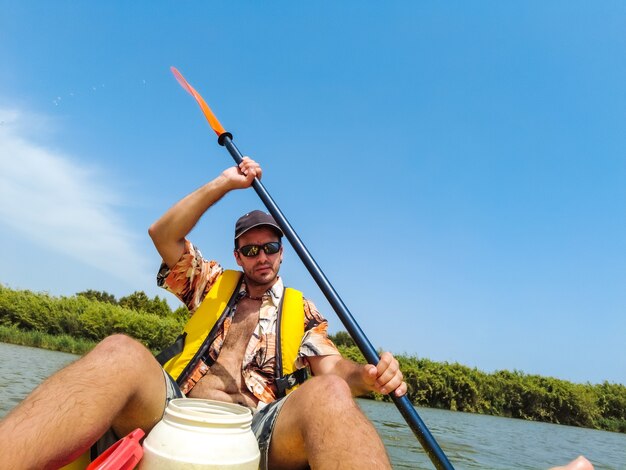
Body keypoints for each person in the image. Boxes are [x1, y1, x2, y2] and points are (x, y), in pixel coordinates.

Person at [0, 156, 406, 470]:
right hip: (174, 405)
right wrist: (226, 183)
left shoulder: (303, 311)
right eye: (250, 249)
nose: (260, 256)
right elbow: (163, 234)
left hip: (257, 426)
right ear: (237, 256)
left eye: (269, 247)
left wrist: (367, 377)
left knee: (331, 394)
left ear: (282, 252)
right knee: (119, 351)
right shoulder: (211, 282)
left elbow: (333, 369)